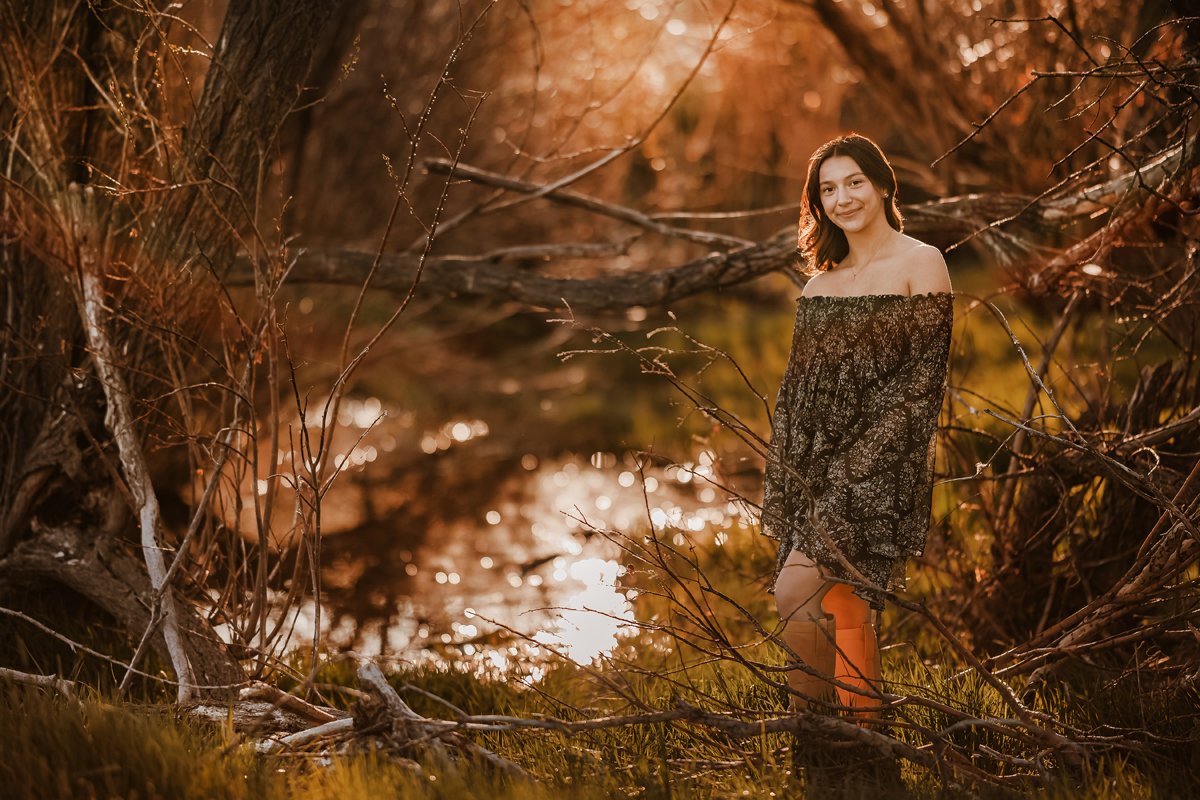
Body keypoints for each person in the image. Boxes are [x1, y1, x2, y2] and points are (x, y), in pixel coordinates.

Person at [761, 133, 954, 726]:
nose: (843, 198)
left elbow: (921, 387)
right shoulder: (819, 286)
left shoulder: (922, 263)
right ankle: (864, 736)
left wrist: (854, 469)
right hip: (815, 468)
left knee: (795, 592)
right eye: (828, 189)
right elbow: (798, 398)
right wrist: (788, 475)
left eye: (854, 183)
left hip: (881, 465)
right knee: (845, 600)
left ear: (882, 184)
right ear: (817, 204)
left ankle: (813, 734)